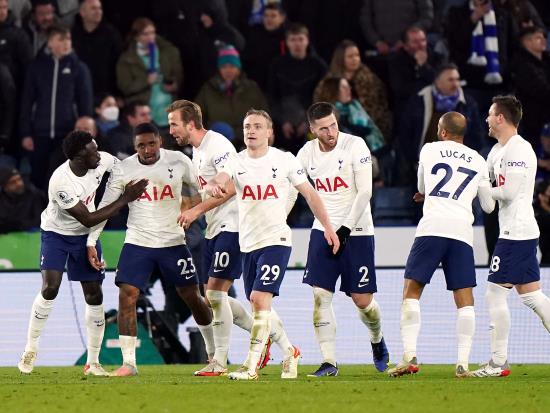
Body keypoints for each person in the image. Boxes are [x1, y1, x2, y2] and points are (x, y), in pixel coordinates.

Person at [205, 109, 340, 380]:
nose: (251, 131)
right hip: (248, 244)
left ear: (269, 132)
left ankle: (250, 366)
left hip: (276, 240)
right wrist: (213, 184)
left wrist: (328, 226)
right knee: (258, 305)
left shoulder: (285, 160)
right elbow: (222, 178)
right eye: (246, 127)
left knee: (259, 298)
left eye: (257, 126)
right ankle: (290, 352)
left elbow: (310, 194)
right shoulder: (236, 160)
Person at [167, 100, 295, 375]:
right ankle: (280, 343)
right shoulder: (197, 152)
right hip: (214, 227)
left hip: (233, 225)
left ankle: (219, 361)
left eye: (174, 124)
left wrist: (196, 210)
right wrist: (186, 210)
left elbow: (229, 188)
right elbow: (203, 191)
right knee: (217, 295)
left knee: (214, 293)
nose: (171, 130)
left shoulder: (219, 146)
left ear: (190, 124)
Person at [86, 122, 213, 377]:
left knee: (192, 297)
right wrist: (91, 242)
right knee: (127, 295)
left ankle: (214, 355)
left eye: (151, 143)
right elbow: (106, 206)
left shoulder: (178, 161)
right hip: (138, 242)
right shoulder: (124, 169)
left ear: (160, 141)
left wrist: (192, 206)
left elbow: (206, 189)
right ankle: (129, 363)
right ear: (135, 147)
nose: (147, 149)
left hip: (173, 242)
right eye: (141, 145)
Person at [17, 130, 148, 375]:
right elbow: (88, 218)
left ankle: (93, 362)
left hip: (83, 238)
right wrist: (125, 199)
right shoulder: (61, 182)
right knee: (50, 288)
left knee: (94, 294)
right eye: (93, 152)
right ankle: (30, 349)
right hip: (56, 234)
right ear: (79, 156)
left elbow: (118, 168)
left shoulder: (101, 161)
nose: (99, 155)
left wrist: (118, 190)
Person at [387, 112, 495, 378]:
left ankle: (410, 356)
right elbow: (489, 206)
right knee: (465, 300)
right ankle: (462, 364)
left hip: (432, 227)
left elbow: (423, 185)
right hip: (461, 233)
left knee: (411, 291)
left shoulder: (430, 149)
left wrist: (427, 194)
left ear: (443, 132)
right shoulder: (479, 160)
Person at [296, 102, 389, 377]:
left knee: (362, 301)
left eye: (333, 125)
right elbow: (293, 187)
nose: (331, 132)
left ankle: (377, 339)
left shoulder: (355, 145)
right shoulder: (306, 153)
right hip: (322, 230)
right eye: (323, 128)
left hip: (357, 231)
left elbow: (365, 192)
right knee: (320, 295)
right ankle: (329, 362)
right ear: (312, 130)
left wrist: (345, 229)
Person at [472, 95, 550, 377]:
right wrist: (481, 184)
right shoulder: (494, 153)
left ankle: (497, 362)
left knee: (494, 293)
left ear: (501, 118)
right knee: (532, 297)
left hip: (516, 232)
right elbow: (490, 205)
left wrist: (480, 184)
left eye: (491, 115)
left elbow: (508, 193)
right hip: (513, 230)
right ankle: (498, 361)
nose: (487, 120)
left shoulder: (520, 149)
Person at [19, 24, 93, 190]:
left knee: (64, 180)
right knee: (38, 176)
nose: (66, 43)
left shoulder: (79, 68)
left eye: (68, 38)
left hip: (67, 135)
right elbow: (27, 103)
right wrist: (25, 133)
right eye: (61, 39)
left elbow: (85, 106)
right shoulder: (36, 67)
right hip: (40, 134)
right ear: (50, 42)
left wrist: (81, 136)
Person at [195, 45, 268, 149]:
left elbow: (264, 115)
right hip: (217, 144)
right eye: (224, 67)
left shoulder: (251, 88)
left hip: (246, 143)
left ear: (238, 68)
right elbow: (196, 115)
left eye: (232, 66)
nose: (228, 70)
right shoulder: (208, 89)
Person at [116, 17, 182, 129]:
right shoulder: (126, 60)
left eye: (152, 33)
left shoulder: (168, 52)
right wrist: (145, 81)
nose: (150, 37)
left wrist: (174, 85)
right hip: (146, 112)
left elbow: (178, 75)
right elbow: (125, 86)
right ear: (136, 37)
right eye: (145, 34)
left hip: (169, 110)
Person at [0, 166, 46, 233]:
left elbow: (39, 221)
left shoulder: (35, 195)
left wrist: (14, 225)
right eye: (13, 182)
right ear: (5, 187)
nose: (19, 184)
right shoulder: (1, 199)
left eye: (19, 179)